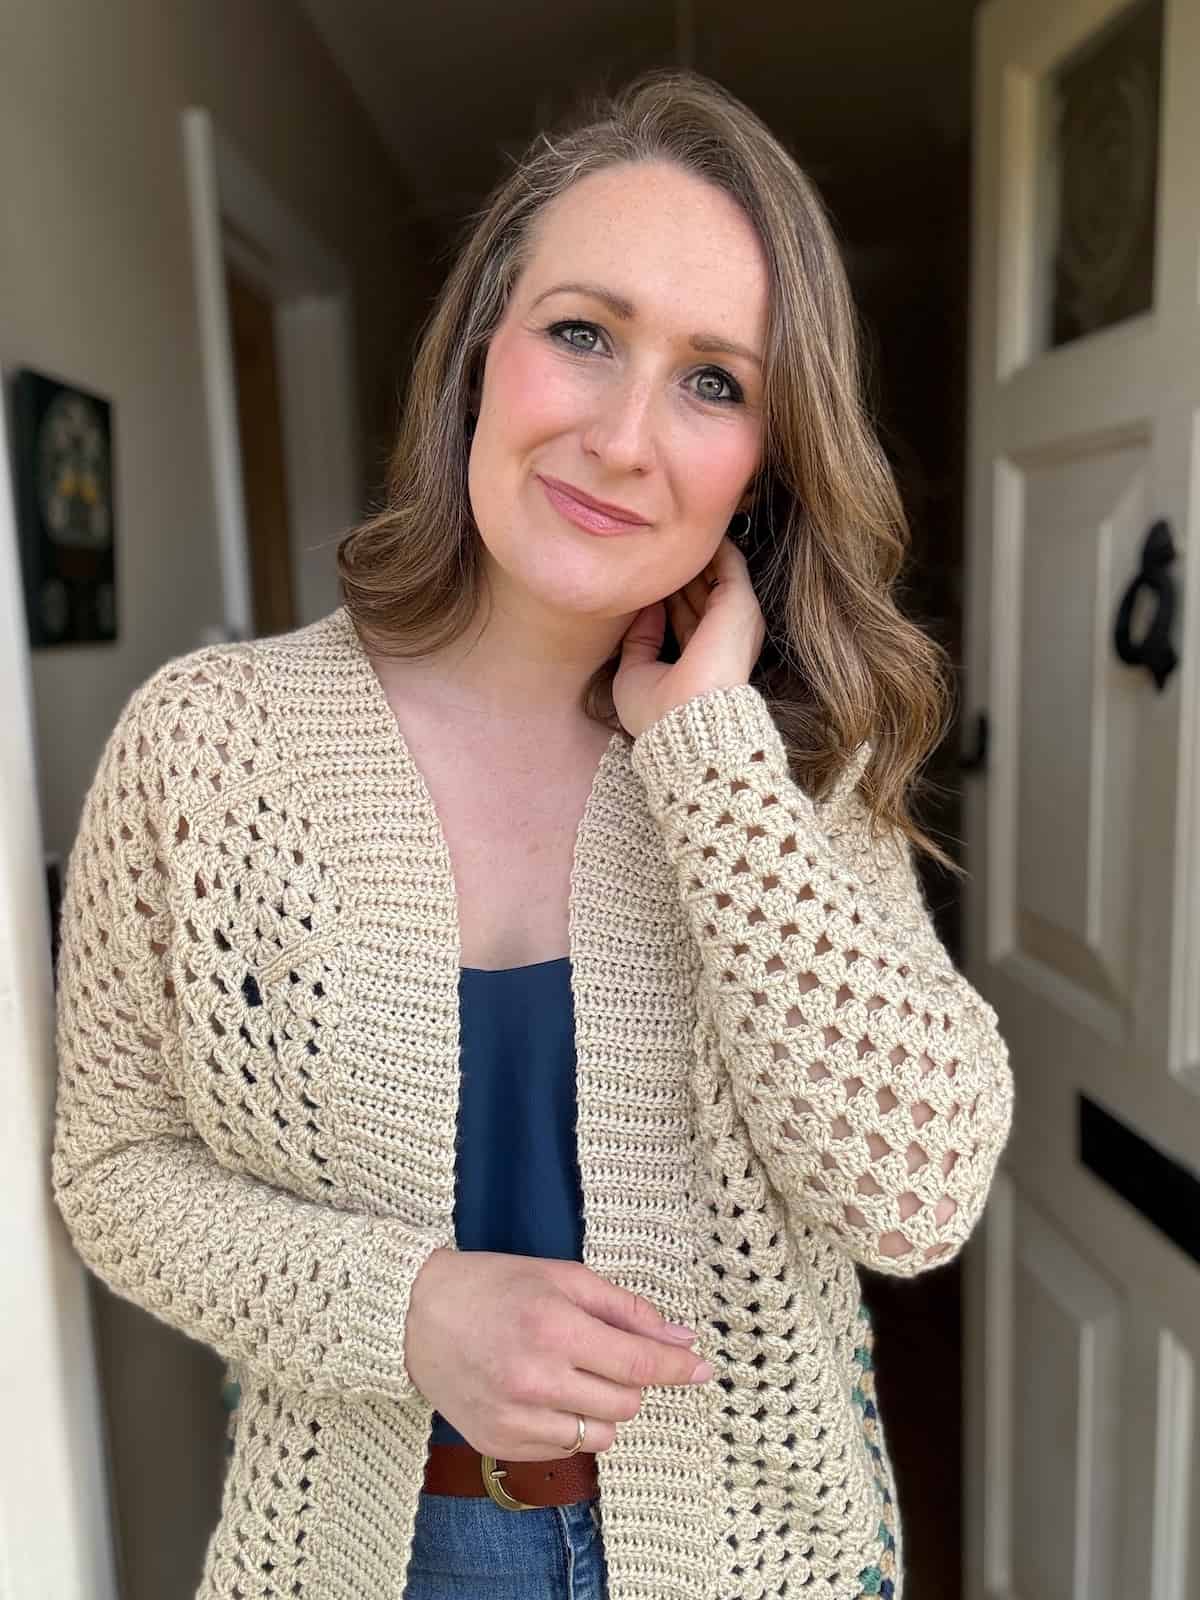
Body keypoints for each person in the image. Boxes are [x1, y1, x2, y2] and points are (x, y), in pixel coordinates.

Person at [50, 67, 1013, 1600]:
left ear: (767, 456)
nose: (626, 437)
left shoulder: (795, 763)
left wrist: (710, 761)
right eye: (584, 333)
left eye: (717, 381)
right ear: (481, 354)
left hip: (750, 1560)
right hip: (357, 1553)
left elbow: (917, 1194)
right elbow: (114, 1169)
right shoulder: (207, 744)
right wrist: (405, 1308)